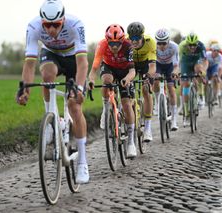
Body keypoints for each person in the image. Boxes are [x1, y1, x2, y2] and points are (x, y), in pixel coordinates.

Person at [16, 0, 89, 184]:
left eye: (55, 25)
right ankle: (51, 119)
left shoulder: (76, 24)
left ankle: (82, 162)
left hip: (73, 57)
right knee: (47, 75)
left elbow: (82, 64)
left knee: (74, 105)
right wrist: (25, 89)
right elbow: (30, 63)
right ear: (41, 22)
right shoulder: (33, 27)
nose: (50, 30)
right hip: (52, 54)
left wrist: (79, 88)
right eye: (46, 25)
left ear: (63, 20)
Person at [88, 24, 137, 158]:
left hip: (125, 71)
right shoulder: (102, 45)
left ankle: (131, 142)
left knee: (127, 104)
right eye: (111, 43)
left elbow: (133, 71)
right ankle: (106, 109)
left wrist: (127, 79)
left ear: (122, 41)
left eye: (117, 44)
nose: (114, 47)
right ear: (107, 41)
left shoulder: (128, 46)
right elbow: (94, 69)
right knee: (106, 80)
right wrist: (91, 80)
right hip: (109, 67)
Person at [127, 22, 156, 142]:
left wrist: (149, 77)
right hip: (131, 65)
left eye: (137, 38)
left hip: (145, 65)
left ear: (142, 36)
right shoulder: (126, 42)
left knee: (146, 90)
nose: (134, 41)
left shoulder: (150, 42)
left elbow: (153, 65)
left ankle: (148, 128)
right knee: (128, 91)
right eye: (132, 38)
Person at [178, 33, 208, 126]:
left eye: (194, 45)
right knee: (185, 84)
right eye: (190, 45)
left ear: (197, 44)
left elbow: (205, 61)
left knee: (199, 72)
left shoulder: (201, 46)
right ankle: (186, 113)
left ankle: (200, 95)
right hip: (185, 62)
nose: (192, 47)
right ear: (186, 43)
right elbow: (178, 61)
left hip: (196, 61)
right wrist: (179, 73)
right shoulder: (181, 47)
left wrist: (203, 72)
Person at [153, 28, 180, 131]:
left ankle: (174, 120)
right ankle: (157, 102)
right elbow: (151, 63)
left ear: (168, 41)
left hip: (170, 66)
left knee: (171, 89)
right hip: (158, 64)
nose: (161, 46)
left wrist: (175, 73)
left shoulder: (174, 47)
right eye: (159, 43)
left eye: (164, 43)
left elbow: (176, 66)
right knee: (155, 80)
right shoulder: (154, 47)